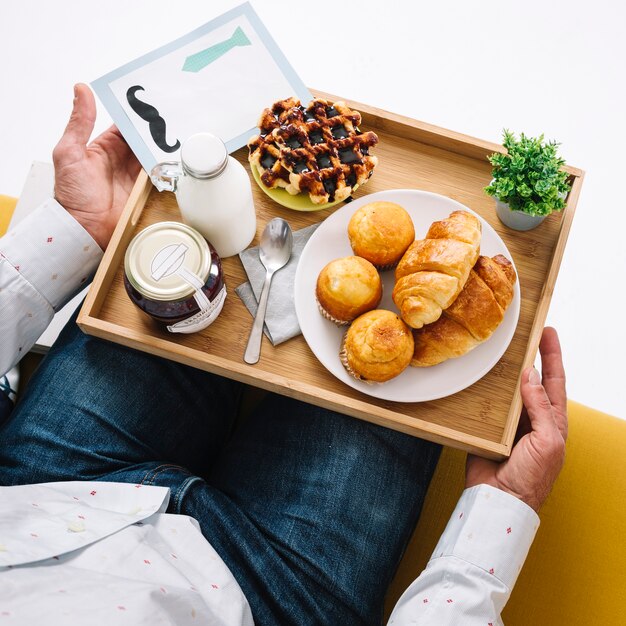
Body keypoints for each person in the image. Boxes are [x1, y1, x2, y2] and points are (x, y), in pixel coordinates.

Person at [0, 84, 568, 626]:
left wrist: (72, 231)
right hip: (276, 600)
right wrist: (504, 508)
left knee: (192, 267)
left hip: (42, 500)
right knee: (393, 400)